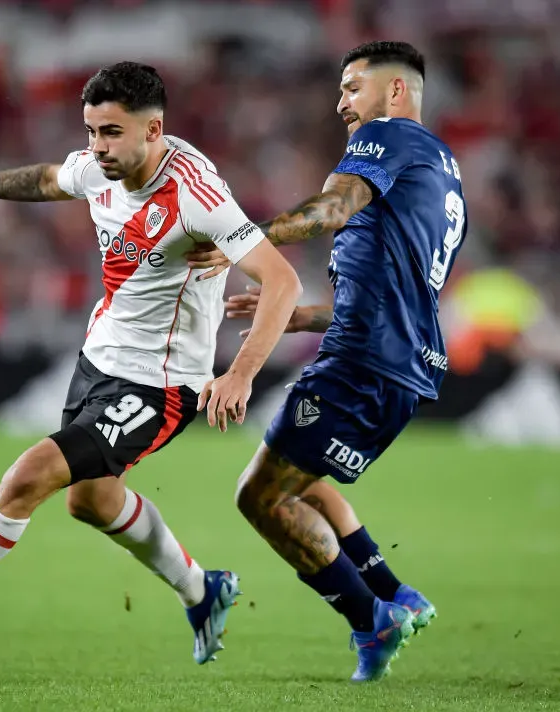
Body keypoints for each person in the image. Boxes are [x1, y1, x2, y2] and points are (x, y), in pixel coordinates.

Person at [0, 62, 302, 664]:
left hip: (161, 386)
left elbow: (281, 281)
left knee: (28, 477)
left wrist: (240, 373)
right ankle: (202, 590)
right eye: (90, 131)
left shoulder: (196, 195)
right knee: (92, 500)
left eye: (110, 132)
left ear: (153, 129)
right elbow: (46, 179)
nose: (96, 147)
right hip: (97, 363)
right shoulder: (98, 168)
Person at [186, 40, 466, 681]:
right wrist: (299, 315)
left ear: (394, 92)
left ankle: (372, 620)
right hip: (403, 363)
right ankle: (396, 594)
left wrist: (240, 242)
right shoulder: (444, 171)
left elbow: (332, 209)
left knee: (259, 497)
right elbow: (396, 293)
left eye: (351, 87)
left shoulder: (389, 137)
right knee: (302, 477)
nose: (341, 102)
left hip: (363, 363)